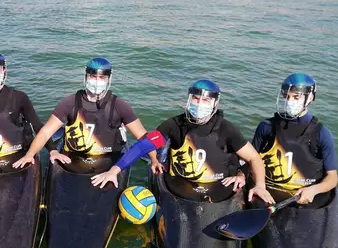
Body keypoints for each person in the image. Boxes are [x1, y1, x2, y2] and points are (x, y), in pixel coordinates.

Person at [90, 79, 273, 204]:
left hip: (219, 188)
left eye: (206, 100)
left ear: (215, 104)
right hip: (180, 184)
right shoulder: (174, 125)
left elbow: (254, 158)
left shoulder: (227, 129)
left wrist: (259, 186)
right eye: (196, 98)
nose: (200, 104)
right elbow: (142, 146)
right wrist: (114, 170)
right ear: (189, 99)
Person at [13, 58, 151, 176]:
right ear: (86, 77)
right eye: (93, 76)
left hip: (109, 163)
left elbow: (143, 137)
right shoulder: (69, 103)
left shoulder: (120, 106)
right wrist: (30, 155)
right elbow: (45, 132)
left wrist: (155, 161)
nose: (97, 81)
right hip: (73, 159)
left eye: (102, 77)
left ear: (109, 79)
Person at [250, 73, 338, 208]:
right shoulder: (266, 127)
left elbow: (332, 178)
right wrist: (244, 177)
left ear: (310, 98)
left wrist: (314, 189)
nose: (290, 101)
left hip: (303, 196)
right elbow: (251, 159)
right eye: (287, 96)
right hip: (267, 193)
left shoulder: (321, 133)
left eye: (296, 97)